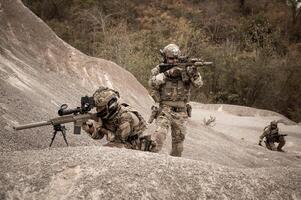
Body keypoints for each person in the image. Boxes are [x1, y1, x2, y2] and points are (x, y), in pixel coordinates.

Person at [148, 44, 203, 157]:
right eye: (171, 58)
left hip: (181, 112)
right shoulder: (159, 69)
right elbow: (152, 83)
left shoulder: (187, 69)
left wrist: (194, 72)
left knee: (178, 148)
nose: (174, 61)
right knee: (158, 138)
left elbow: (198, 84)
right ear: (165, 58)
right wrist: (168, 74)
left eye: (176, 58)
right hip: (165, 110)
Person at [82, 86, 151, 150]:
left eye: (100, 107)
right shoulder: (107, 114)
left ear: (110, 105)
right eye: (97, 107)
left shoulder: (125, 117)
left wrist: (101, 128)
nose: (98, 110)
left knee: (107, 149)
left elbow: (118, 141)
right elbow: (98, 136)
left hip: (137, 145)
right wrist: (90, 127)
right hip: (123, 142)